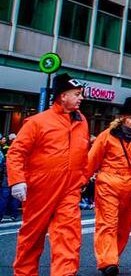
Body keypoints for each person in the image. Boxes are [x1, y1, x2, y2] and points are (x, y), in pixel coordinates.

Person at [7, 74, 89, 276]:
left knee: (69, 237)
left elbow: (83, 152)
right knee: (32, 238)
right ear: (62, 96)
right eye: (77, 94)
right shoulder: (37, 122)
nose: (81, 98)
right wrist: (17, 180)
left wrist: (82, 178)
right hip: (40, 189)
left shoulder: (82, 120)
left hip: (69, 189)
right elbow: (16, 152)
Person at [84, 97, 131, 276]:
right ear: (122, 118)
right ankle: (108, 261)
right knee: (108, 224)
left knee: (124, 227)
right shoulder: (106, 136)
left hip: (130, 187)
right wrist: (80, 183)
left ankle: (113, 257)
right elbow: (91, 160)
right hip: (108, 183)